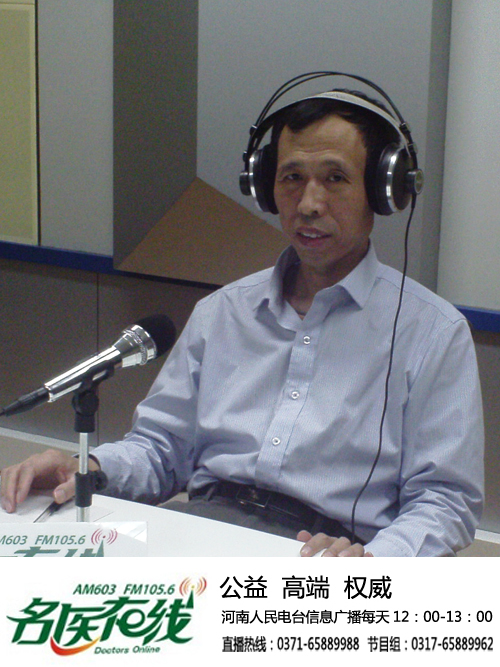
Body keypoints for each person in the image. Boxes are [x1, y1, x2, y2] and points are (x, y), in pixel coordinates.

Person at [0, 76, 484, 557]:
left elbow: (446, 501)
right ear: (265, 185)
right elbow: (161, 450)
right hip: (199, 532)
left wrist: (374, 560)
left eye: (335, 179)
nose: (309, 204)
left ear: (383, 191)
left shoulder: (432, 333)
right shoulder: (222, 312)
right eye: (292, 178)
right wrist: (86, 466)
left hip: (325, 558)